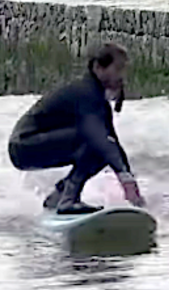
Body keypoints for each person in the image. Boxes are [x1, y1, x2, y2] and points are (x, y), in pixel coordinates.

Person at [8, 41, 144, 215]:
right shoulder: (85, 93)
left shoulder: (97, 100)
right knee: (97, 145)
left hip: (30, 144)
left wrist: (129, 179)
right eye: (117, 69)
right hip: (24, 145)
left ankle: (60, 195)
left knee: (106, 149)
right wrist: (123, 177)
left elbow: (112, 142)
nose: (121, 76)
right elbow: (96, 136)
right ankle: (68, 200)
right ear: (98, 67)